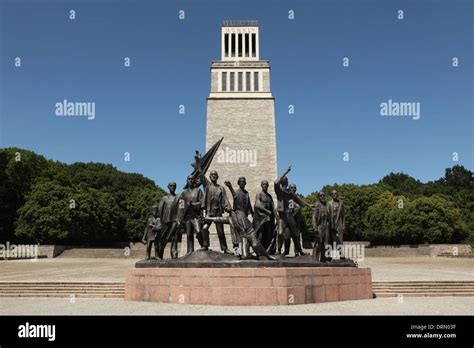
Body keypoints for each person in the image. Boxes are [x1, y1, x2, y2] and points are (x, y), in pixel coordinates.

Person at [204, 206, 275, 260]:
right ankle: (252, 256)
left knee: (255, 244)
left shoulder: (240, 212)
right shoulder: (230, 219)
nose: (226, 209)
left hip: (250, 232)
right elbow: (219, 219)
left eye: (227, 207)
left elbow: (236, 197)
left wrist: (230, 187)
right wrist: (208, 218)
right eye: (225, 209)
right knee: (244, 256)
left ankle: (267, 256)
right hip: (243, 236)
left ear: (231, 207)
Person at [273, 166, 312, 256]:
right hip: (282, 216)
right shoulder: (279, 192)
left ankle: (300, 251)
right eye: (284, 180)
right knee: (280, 233)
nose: (286, 182)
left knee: (295, 234)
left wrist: (309, 205)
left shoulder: (289, 194)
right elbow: (275, 182)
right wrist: (285, 172)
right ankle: (279, 250)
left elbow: (299, 200)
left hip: (289, 216)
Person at [200, 171, 232, 254]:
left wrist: (228, 207)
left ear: (217, 177)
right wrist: (199, 167)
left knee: (220, 232)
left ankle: (225, 248)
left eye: (215, 175)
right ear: (210, 177)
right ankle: (205, 246)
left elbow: (225, 199)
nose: (213, 176)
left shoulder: (221, 188)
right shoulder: (207, 187)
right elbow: (202, 177)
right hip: (209, 213)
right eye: (212, 175)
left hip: (218, 212)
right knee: (204, 228)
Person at [177, 175, 206, 254]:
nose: (190, 180)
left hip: (195, 216)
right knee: (189, 234)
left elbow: (202, 203)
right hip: (187, 217)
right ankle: (189, 251)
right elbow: (181, 206)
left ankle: (204, 246)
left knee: (198, 231)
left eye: (192, 179)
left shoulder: (198, 191)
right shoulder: (183, 193)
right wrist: (179, 219)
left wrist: (193, 204)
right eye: (189, 179)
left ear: (194, 181)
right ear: (187, 181)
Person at [224, 177, 253, 256]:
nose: (242, 183)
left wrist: (251, 214)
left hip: (245, 216)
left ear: (245, 183)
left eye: (243, 182)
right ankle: (236, 248)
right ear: (238, 183)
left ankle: (247, 250)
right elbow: (235, 196)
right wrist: (230, 187)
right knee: (236, 232)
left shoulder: (246, 193)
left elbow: (249, 205)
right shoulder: (237, 192)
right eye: (241, 182)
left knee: (247, 233)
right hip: (237, 215)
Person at [157, 182, 180, 259]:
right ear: (168, 187)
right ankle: (159, 255)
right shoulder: (164, 198)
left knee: (175, 239)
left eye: (174, 186)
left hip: (175, 221)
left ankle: (174, 255)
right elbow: (160, 210)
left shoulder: (178, 197)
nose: (173, 187)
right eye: (171, 185)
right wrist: (160, 220)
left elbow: (181, 209)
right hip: (165, 221)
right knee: (163, 238)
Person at [253, 180, 277, 251]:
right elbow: (257, 204)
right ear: (261, 185)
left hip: (269, 218)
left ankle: (268, 249)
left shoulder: (269, 196)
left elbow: (273, 208)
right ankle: (259, 249)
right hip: (261, 217)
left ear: (268, 186)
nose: (265, 186)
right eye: (263, 184)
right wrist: (266, 211)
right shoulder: (259, 194)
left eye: (266, 184)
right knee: (261, 233)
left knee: (269, 233)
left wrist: (277, 219)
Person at [312, 192, 330, 262]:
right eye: (320, 195)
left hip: (326, 227)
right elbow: (313, 217)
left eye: (323, 195)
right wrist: (315, 227)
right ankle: (315, 259)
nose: (322, 196)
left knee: (326, 244)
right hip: (320, 226)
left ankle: (324, 259)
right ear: (318, 197)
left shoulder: (327, 205)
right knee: (319, 243)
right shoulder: (317, 205)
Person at [328, 189, 345, 259]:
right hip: (331, 223)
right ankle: (328, 255)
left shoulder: (341, 204)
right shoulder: (329, 204)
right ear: (331, 195)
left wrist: (344, 225)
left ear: (337, 194)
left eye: (335, 193)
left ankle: (341, 255)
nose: (334, 195)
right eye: (333, 193)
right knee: (330, 240)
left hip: (339, 223)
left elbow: (343, 215)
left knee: (340, 240)